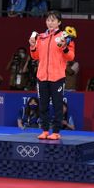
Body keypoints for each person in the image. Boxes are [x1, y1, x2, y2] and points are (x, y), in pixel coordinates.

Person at [29, 11, 76, 140]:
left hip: (57, 77)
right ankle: (44, 130)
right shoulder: (40, 37)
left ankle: (55, 132)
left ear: (59, 22)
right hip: (42, 77)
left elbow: (71, 56)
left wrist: (64, 47)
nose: (50, 23)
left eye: (53, 20)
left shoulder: (65, 36)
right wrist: (33, 46)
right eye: (48, 20)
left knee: (57, 105)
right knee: (43, 105)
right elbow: (35, 56)